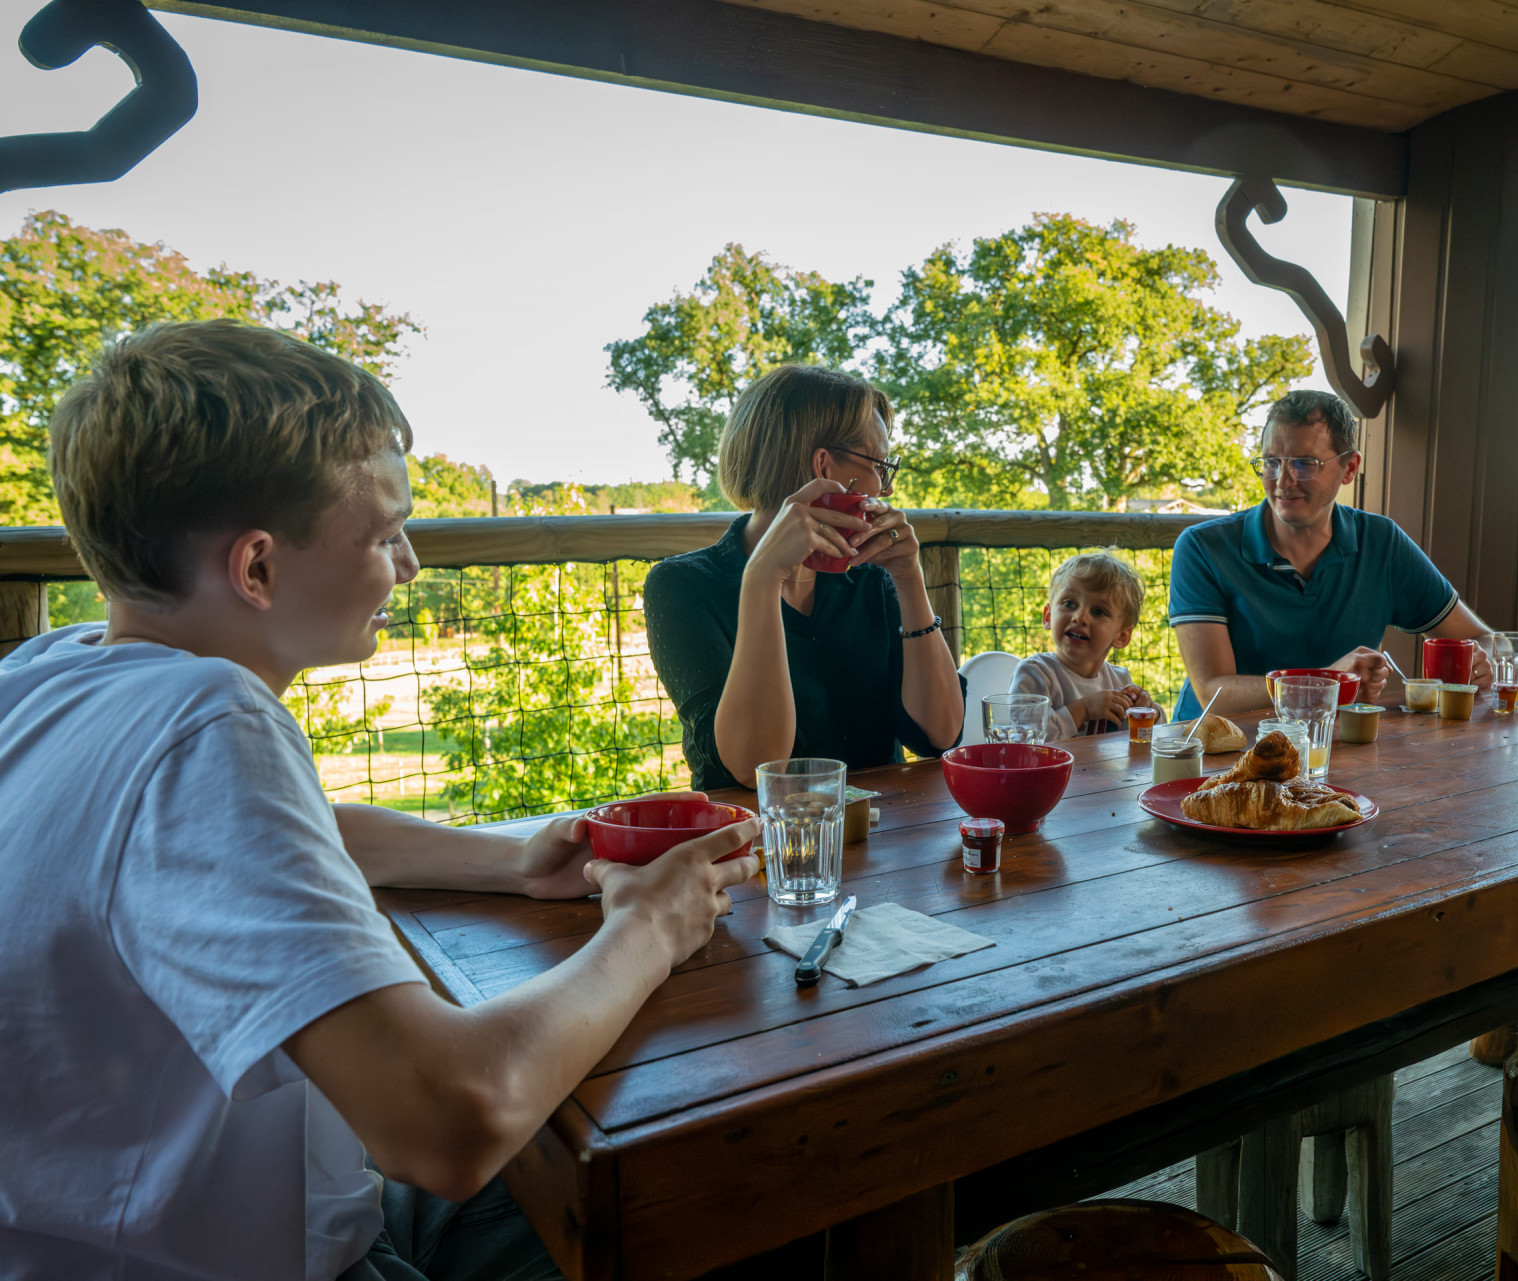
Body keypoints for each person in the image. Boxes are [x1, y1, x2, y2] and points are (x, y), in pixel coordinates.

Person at [0, 320, 762, 1281]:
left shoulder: (49, 673)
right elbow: (451, 1117)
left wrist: (511, 861)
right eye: (386, 532)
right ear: (258, 568)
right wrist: (651, 926)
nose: (409, 565)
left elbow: (272, 839)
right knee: (708, 1190)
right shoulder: (208, 718)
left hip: (162, 1216)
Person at [644, 365, 965, 791]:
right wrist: (763, 577)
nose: (885, 489)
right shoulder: (682, 586)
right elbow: (758, 766)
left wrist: (909, 579)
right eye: (880, 465)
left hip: (883, 841)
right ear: (824, 467)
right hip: (755, 847)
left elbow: (940, 735)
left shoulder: (869, 579)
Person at [1168, 390, 1494, 719]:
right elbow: (1212, 692)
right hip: (1215, 751)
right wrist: (1329, 682)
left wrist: (1480, 661)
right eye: (1271, 463)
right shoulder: (1202, 548)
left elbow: (1481, 639)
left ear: (1349, 467)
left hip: (1335, 747)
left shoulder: (1381, 542)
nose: (1283, 481)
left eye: (1303, 464)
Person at [1009, 551, 1163, 741]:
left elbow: (1155, 738)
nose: (1079, 617)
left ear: (1121, 637)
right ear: (1048, 616)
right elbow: (1026, 739)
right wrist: (1083, 709)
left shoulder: (1119, 681)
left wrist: (1149, 712)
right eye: (1069, 603)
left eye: (1098, 611)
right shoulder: (1036, 675)